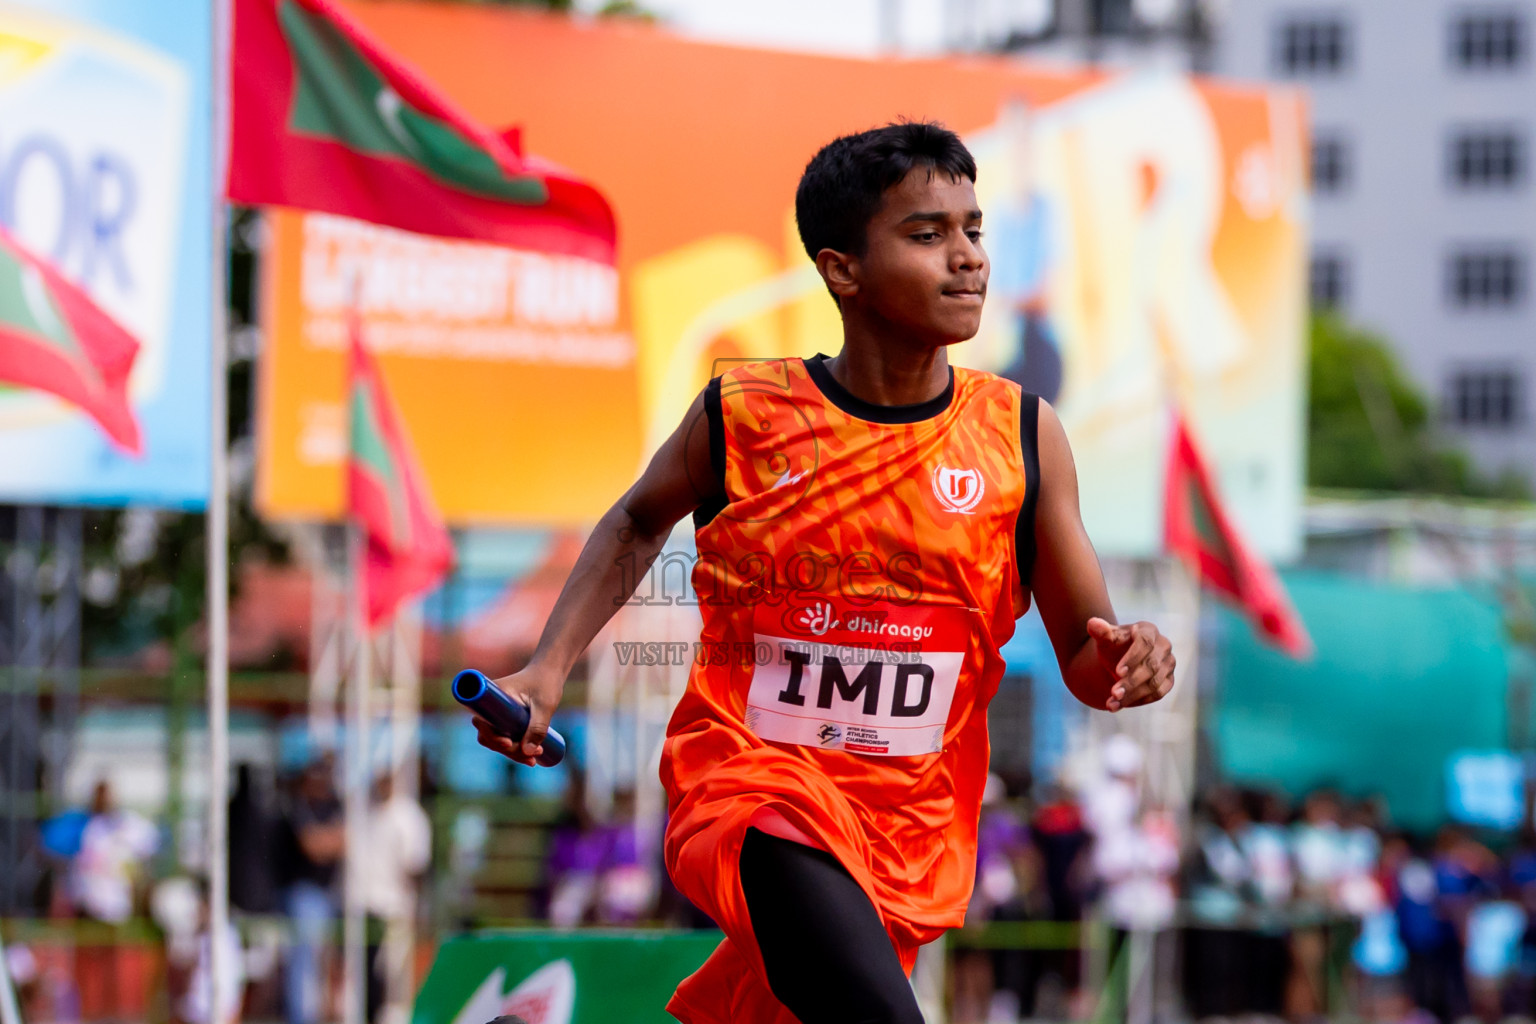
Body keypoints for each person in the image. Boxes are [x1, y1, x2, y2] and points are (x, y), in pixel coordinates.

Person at [473, 120, 1176, 1024]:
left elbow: (1090, 655)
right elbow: (635, 521)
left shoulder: (1023, 435)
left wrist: (1131, 660)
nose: (967, 259)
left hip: (907, 830)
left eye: (974, 230)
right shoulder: (745, 412)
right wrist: (545, 670)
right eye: (928, 235)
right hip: (750, 783)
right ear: (842, 268)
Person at [279, 756, 344, 1024]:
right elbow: (313, 846)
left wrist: (328, 839)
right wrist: (329, 840)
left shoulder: (335, 804)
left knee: (327, 963)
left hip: (330, 893)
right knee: (303, 962)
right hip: (304, 894)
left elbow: (343, 840)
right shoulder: (297, 805)